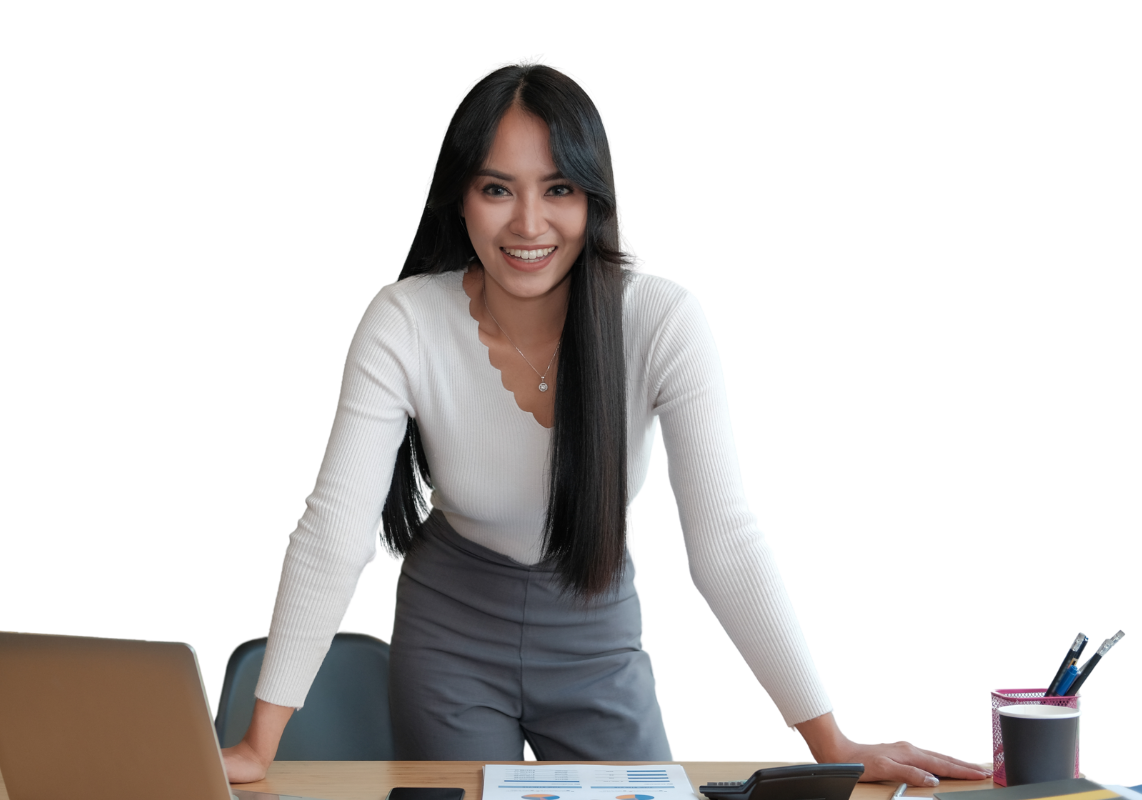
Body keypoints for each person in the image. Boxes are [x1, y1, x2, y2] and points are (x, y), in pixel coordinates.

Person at [222, 55, 991, 789]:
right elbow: (335, 529)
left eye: (557, 188)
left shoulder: (663, 319)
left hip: (595, 622)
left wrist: (832, 742)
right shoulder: (402, 320)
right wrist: (260, 745)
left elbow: (724, 538)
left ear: (594, 196)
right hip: (449, 627)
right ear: (460, 196)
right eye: (497, 188)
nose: (528, 224)